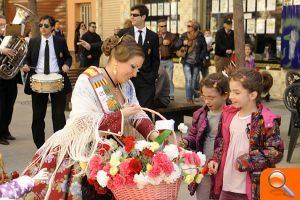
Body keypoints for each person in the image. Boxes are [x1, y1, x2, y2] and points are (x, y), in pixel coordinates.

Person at [23, 34, 159, 200]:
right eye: (133, 67)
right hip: (82, 154)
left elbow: (136, 112)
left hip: (113, 155)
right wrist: (120, 115)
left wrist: (154, 135)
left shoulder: (127, 85)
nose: (135, 73)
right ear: (116, 60)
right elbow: (82, 121)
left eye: (138, 68)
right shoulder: (89, 79)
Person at [208, 68, 284, 200]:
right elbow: (222, 141)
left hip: (252, 188)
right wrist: (215, 159)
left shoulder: (266, 120)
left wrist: (248, 160)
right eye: (230, 91)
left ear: (252, 95)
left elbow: (276, 151)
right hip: (227, 183)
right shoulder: (228, 114)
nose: (231, 96)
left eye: (236, 92)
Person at [22, 15, 72, 148]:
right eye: (40, 25)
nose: (42, 28)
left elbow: (68, 57)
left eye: (46, 26)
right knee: (38, 116)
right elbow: (27, 59)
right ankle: (40, 146)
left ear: (52, 27)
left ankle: (59, 145)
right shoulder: (33, 41)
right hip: (38, 81)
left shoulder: (60, 41)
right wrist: (26, 66)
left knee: (58, 116)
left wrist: (67, 65)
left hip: (57, 81)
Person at [180, 73, 229, 200]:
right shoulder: (200, 114)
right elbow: (194, 136)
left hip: (223, 167)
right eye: (204, 96)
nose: (207, 101)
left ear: (225, 95)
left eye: (211, 97)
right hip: (203, 166)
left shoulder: (231, 116)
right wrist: (186, 141)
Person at [118, 4, 160, 109]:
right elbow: (110, 47)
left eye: (135, 15)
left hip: (146, 82)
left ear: (143, 17)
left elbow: (155, 59)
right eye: (131, 14)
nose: (132, 17)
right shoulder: (124, 33)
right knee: (129, 112)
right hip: (128, 80)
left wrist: (153, 76)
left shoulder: (153, 36)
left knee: (145, 112)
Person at [0, 15, 21, 145]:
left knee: (9, 106)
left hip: (10, 77)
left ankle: (5, 130)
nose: (3, 27)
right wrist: (2, 50)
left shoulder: (10, 39)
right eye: (0, 25)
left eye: (4, 25)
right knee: (1, 107)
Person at [174, 20, 207, 104]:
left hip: (197, 61)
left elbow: (204, 48)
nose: (187, 27)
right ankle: (189, 98)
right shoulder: (184, 35)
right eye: (187, 26)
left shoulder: (200, 36)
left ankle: (196, 94)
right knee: (189, 79)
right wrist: (182, 42)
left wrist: (200, 58)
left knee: (195, 80)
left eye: (189, 26)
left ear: (194, 27)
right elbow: (176, 46)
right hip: (186, 61)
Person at [158, 18, 177, 101]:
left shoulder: (171, 35)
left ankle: (171, 94)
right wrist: (161, 42)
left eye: (165, 26)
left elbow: (176, 46)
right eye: (161, 26)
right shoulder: (155, 35)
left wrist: (171, 43)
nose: (163, 28)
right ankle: (161, 94)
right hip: (159, 61)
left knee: (169, 78)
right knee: (160, 78)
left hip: (169, 60)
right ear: (158, 27)